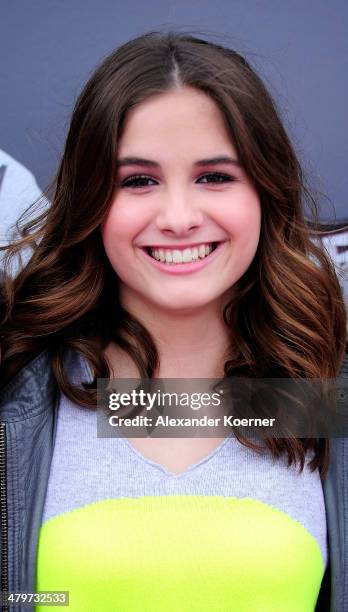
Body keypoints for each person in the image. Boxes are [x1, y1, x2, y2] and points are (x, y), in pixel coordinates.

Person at [0, 31, 347, 612]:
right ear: (90, 199)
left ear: (266, 189)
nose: (180, 217)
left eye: (215, 176)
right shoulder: (23, 388)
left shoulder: (319, 389)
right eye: (138, 180)